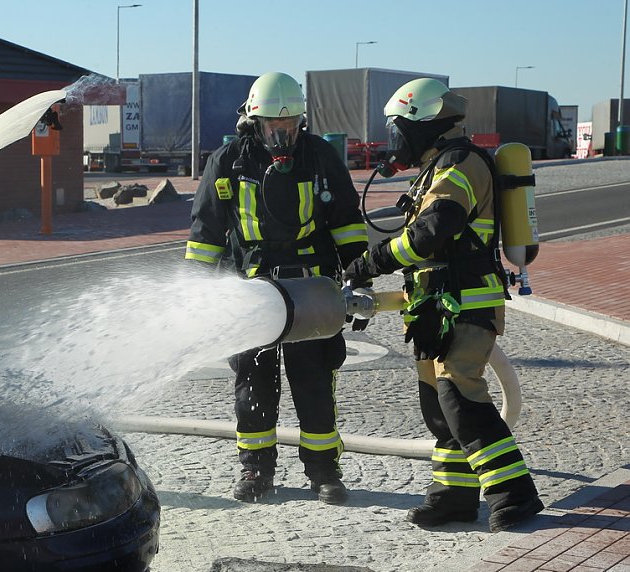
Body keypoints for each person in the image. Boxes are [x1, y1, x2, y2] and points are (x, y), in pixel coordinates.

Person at [344, 77, 544, 532]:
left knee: (460, 396)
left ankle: (515, 494)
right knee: (439, 405)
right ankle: (453, 497)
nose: (394, 139)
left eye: (397, 129)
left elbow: (434, 230)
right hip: (434, 307)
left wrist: (371, 262)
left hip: (464, 301)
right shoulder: (435, 167)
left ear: (423, 123)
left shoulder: (460, 164)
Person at [185, 72, 368, 504]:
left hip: (311, 289)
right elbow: (205, 233)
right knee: (253, 385)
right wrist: (194, 293)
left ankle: (324, 472)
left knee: (314, 381)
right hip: (252, 292)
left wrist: (358, 281)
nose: (282, 135)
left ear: (301, 121)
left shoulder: (320, 157)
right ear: (255, 121)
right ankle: (256, 470)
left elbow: (347, 224)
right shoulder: (228, 161)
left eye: (289, 125)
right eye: (273, 126)